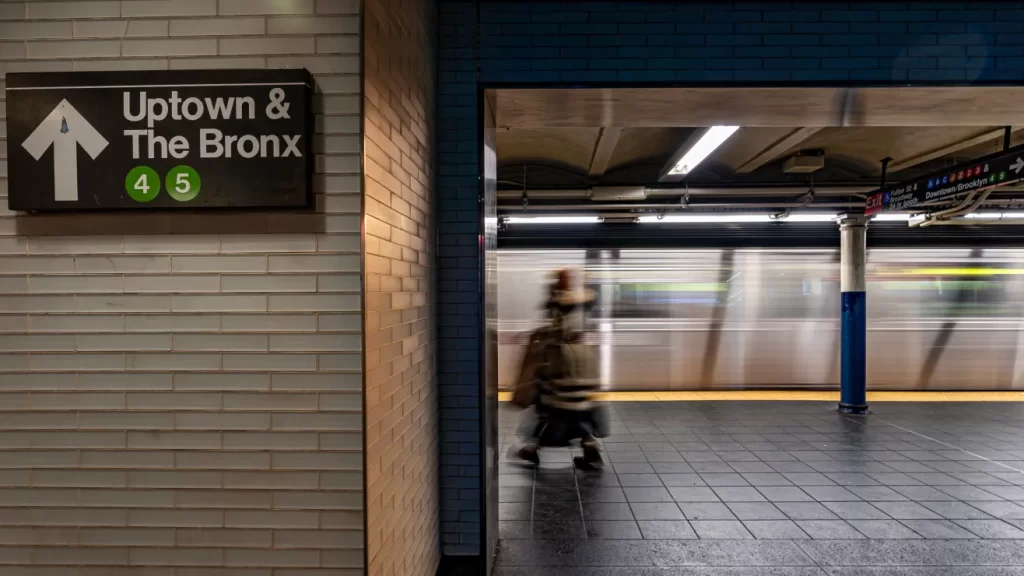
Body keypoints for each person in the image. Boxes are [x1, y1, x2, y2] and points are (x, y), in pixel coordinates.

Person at [517, 269, 605, 470]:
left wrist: (538, 338)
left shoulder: (560, 302)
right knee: (579, 407)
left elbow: (559, 330)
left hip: (562, 361)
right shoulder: (588, 300)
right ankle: (589, 446)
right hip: (584, 360)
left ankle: (532, 448)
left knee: (549, 407)